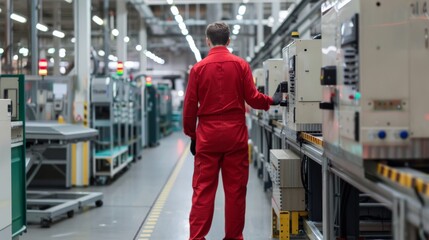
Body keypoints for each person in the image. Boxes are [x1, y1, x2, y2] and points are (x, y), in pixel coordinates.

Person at [183, 22, 283, 240]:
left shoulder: (198, 70)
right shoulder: (241, 65)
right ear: (228, 41)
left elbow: (190, 107)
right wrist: (271, 101)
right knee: (236, 192)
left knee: (202, 191)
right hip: (235, 137)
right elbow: (253, 98)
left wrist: (192, 135)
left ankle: (197, 237)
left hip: (207, 137)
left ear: (207, 41)